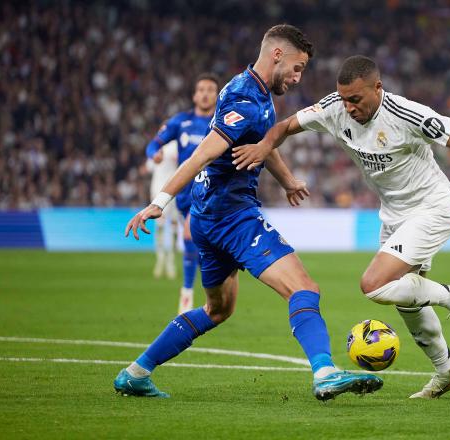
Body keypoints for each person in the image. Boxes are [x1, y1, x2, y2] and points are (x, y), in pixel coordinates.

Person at [115, 26, 383, 400]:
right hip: (232, 217)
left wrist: (288, 180)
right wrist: (159, 202)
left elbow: (263, 141)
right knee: (304, 288)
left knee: (216, 309)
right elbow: (203, 153)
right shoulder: (245, 99)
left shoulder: (249, 88)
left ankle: (136, 372)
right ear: (277, 54)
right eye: (297, 67)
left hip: (208, 218)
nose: (297, 77)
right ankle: (324, 372)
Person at [231, 55, 450, 399]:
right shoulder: (334, 107)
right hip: (393, 216)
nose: (348, 108)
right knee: (407, 300)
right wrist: (263, 146)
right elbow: (285, 127)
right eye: (344, 99)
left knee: (374, 284)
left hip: (431, 207)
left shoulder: (407, 114)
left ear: (378, 88)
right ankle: (447, 371)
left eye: (356, 99)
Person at [145, 73, 219, 313]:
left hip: (213, 190)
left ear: (217, 95)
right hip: (185, 193)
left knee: (190, 236)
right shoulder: (180, 121)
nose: (206, 93)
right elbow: (154, 143)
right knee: (195, 245)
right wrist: (154, 153)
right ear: (195, 95)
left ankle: (186, 295)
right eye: (202, 89)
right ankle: (202, 294)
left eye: (210, 89)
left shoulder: (222, 122)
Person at [146, 140, 178, 281]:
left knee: (172, 227)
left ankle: (169, 259)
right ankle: (163, 260)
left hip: (172, 191)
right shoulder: (159, 147)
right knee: (164, 226)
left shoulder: (175, 145)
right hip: (161, 191)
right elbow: (149, 166)